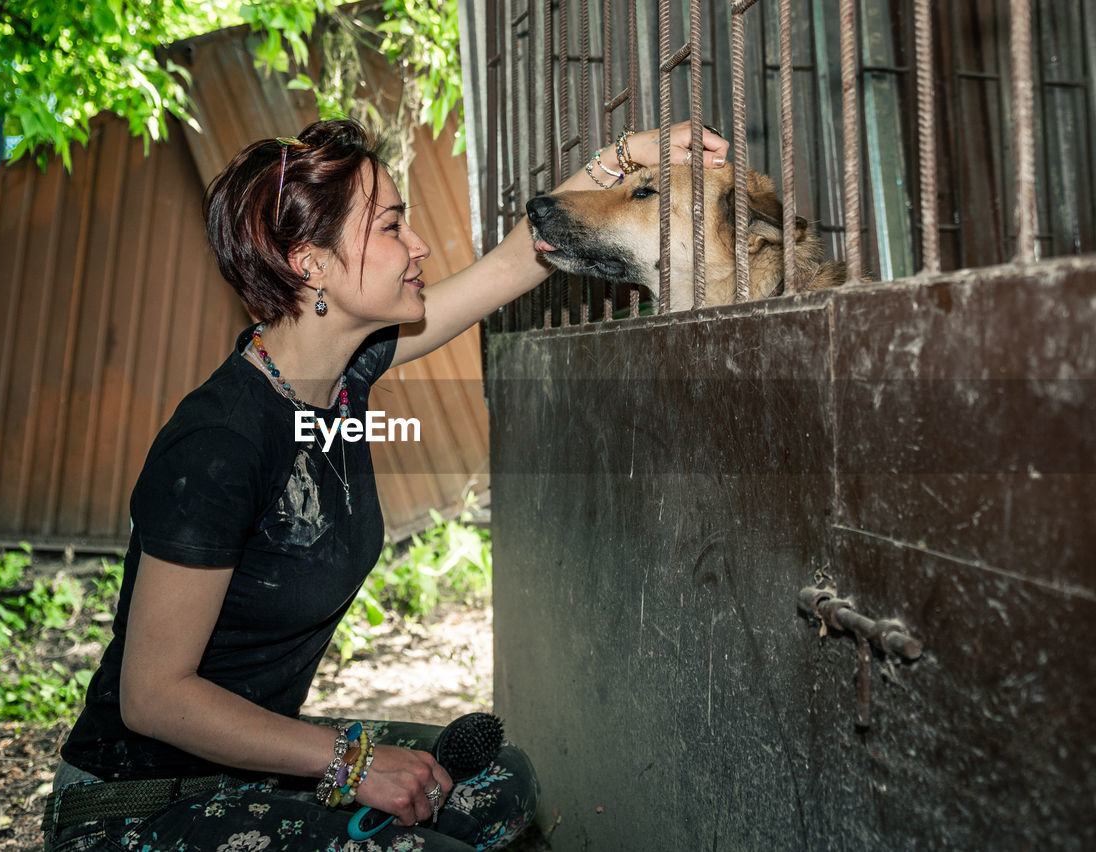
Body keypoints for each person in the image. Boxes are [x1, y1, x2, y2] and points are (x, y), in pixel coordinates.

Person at [43, 118, 730, 852]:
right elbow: (153, 698)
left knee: (498, 783)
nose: (419, 245)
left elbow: (516, 259)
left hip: (249, 767)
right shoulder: (218, 443)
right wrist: (351, 762)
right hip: (139, 802)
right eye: (393, 226)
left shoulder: (341, 377)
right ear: (310, 262)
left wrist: (626, 157)